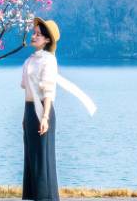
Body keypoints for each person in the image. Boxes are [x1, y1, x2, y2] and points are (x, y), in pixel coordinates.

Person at [21, 17, 97, 201]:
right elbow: (28, 91)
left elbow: (48, 92)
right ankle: (33, 196)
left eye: (39, 34)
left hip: (42, 112)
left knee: (43, 159)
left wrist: (45, 117)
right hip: (30, 111)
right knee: (32, 159)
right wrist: (25, 116)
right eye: (34, 33)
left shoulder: (49, 61)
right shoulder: (31, 60)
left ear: (47, 40)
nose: (34, 36)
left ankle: (46, 197)